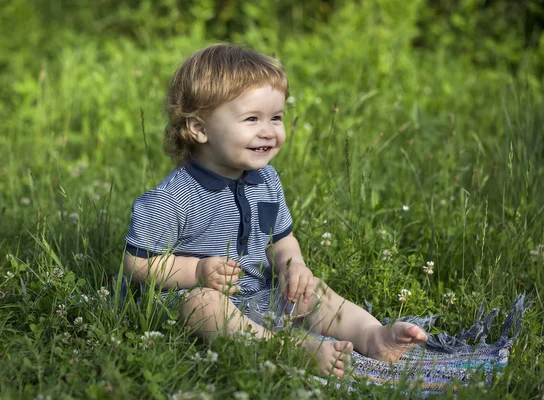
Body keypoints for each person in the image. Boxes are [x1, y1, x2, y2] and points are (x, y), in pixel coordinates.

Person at [123, 43, 427, 378]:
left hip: (260, 293)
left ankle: (372, 336)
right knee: (203, 306)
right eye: (252, 119)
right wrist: (196, 273)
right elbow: (138, 264)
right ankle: (282, 350)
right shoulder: (173, 198)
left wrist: (292, 264)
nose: (268, 131)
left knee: (313, 292)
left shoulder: (265, 180)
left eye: (276, 118)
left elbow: (279, 240)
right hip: (186, 301)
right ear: (200, 129)